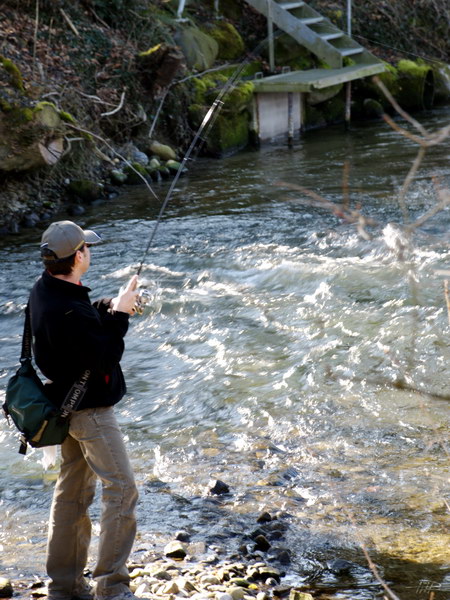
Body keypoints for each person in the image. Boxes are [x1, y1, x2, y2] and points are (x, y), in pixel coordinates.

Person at [29, 220, 139, 600]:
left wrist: (110, 306)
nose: (89, 252)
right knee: (122, 490)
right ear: (78, 257)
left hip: (64, 406)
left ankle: (65, 588)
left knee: (72, 494)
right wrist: (121, 315)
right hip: (90, 412)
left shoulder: (46, 290)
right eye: (86, 248)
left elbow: (80, 332)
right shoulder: (68, 310)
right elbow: (104, 357)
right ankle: (112, 587)